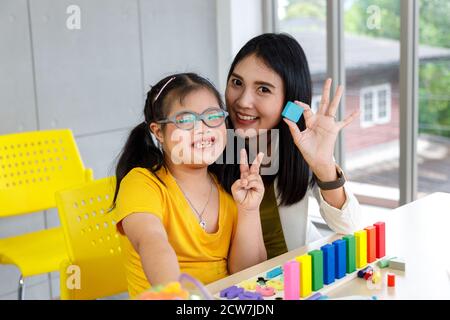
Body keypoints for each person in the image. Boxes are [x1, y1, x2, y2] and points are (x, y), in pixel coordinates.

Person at [112, 73, 267, 297]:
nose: (203, 128)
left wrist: (249, 210)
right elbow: (152, 243)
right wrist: (177, 295)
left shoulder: (226, 189)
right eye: (185, 120)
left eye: (213, 116)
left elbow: (247, 274)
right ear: (158, 132)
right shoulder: (142, 184)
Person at [217, 33, 362, 259]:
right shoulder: (209, 142)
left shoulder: (303, 143)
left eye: (263, 89)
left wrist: (323, 165)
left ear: (289, 102)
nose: (243, 102)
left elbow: (350, 226)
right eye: (237, 83)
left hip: (295, 276)